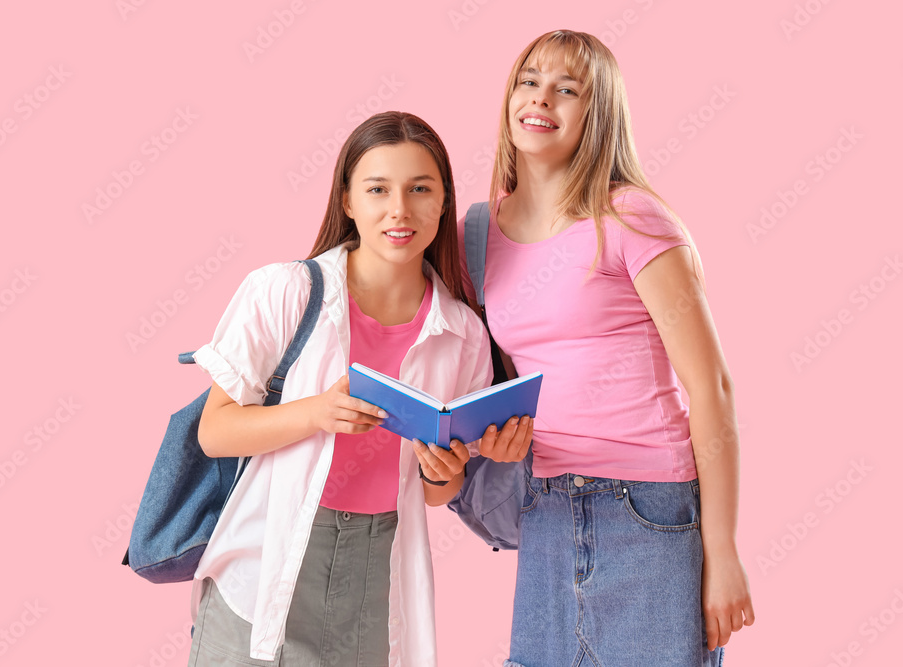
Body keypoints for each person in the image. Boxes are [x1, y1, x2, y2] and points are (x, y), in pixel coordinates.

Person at [185, 110, 532, 667]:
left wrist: (445, 473)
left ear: (444, 203)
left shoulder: (463, 332)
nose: (400, 210)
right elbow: (215, 431)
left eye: (421, 189)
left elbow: (436, 492)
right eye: (377, 189)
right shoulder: (285, 292)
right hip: (267, 557)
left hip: (380, 567)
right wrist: (318, 412)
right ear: (347, 200)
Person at [457, 30, 756, 666]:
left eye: (568, 90)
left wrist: (722, 550)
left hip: (648, 507)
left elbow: (712, 387)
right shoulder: (480, 233)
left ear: (598, 118)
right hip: (545, 504)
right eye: (529, 80)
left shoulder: (629, 217)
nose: (541, 99)